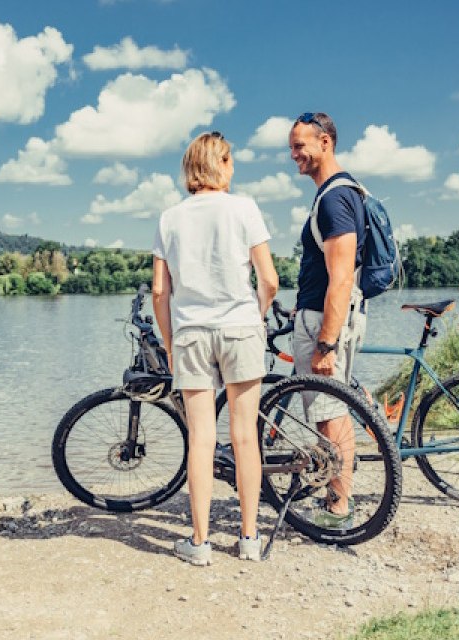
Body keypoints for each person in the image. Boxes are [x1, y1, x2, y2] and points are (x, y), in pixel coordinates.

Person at [151, 131, 279, 566]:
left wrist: (170, 343)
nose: (234, 169)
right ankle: (248, 539)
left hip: (191, 333)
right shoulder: (244, 208)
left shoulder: (170, 218)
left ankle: (201, 544)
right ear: (220, 163)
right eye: (231, 161)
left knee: (201, 439)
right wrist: (255, 319)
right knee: (245, 438)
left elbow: (158, 293)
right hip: (240, 328)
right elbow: (270, 280)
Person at [287, 112, 367, 527]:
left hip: (325, 319)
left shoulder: (334, 198)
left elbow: (340, 278)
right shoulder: (340, 193)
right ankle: (340, 496)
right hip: (321, 314)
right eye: (292, 147)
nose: (295, 155)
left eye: (301, 145)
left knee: (329, 413)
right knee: (336, 410)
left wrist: (325, 343)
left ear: (326, 142)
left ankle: (338, 507)